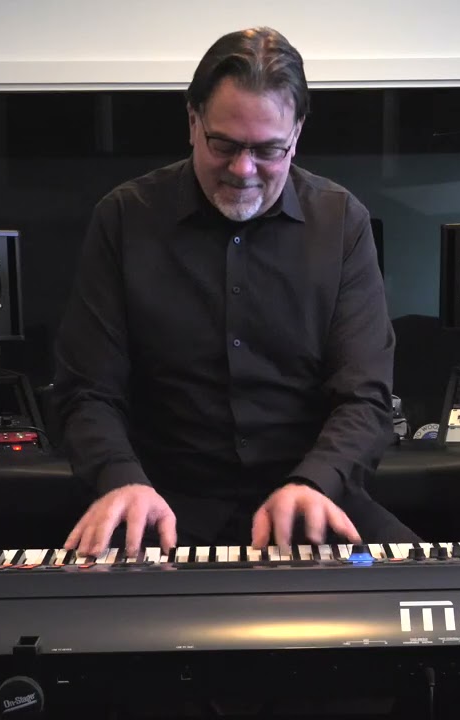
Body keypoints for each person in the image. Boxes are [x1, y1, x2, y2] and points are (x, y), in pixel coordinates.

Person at [52, 26, 421, 558]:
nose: (243, 169)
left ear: (296, 135)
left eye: (268, 150)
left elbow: (364, 396)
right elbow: (87, 391)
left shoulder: (341, 222)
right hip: (159, 504)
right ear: (193, 122)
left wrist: (317, 480)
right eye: (223, 144)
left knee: (425, 595)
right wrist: (119, 478)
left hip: (309, 500)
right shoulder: (125, 218)